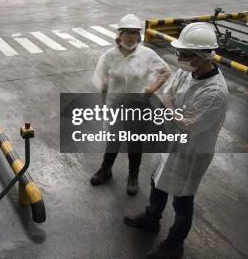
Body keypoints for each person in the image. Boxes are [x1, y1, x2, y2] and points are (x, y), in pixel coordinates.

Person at [124, 22, 229, 259]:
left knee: (182, 198)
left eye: (185, 53)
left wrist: (171, 108)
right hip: (172, 140)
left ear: (203, 56)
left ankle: (174, 244)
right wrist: (174, 109)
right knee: (157, 180)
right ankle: (152, 218)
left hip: (192, 152)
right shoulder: (187, 70)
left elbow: (187, 124)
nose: (179, 57)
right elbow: (167, 94)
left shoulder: (214, 92)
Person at [90, 14, 171, 195]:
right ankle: (106, 170)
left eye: (135, 33)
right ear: (119, 35)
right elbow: (102, 82)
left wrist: (151, 89)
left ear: (139, 36)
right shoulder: (109, 56)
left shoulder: (147, 54)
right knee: (114, 139)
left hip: (138, 106)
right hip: (115, 105)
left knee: (135, 142)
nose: (131, 37)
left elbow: (165, 71)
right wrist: (104, 105)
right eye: (127, 33)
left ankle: (133, 176)